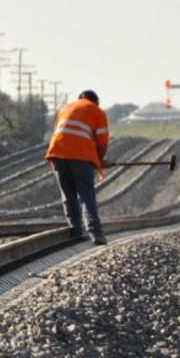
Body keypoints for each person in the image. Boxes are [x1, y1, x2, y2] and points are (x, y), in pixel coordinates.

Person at [45, 90, 111, 245]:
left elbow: (62, 133)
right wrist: (99, 160)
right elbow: (102, 142)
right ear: (96, 101)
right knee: (86, 194)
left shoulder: (65, 108)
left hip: (57, 154)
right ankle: (96, 233)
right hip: (80, 157)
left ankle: (75, 231)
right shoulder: (97, 111)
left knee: (68, 194)